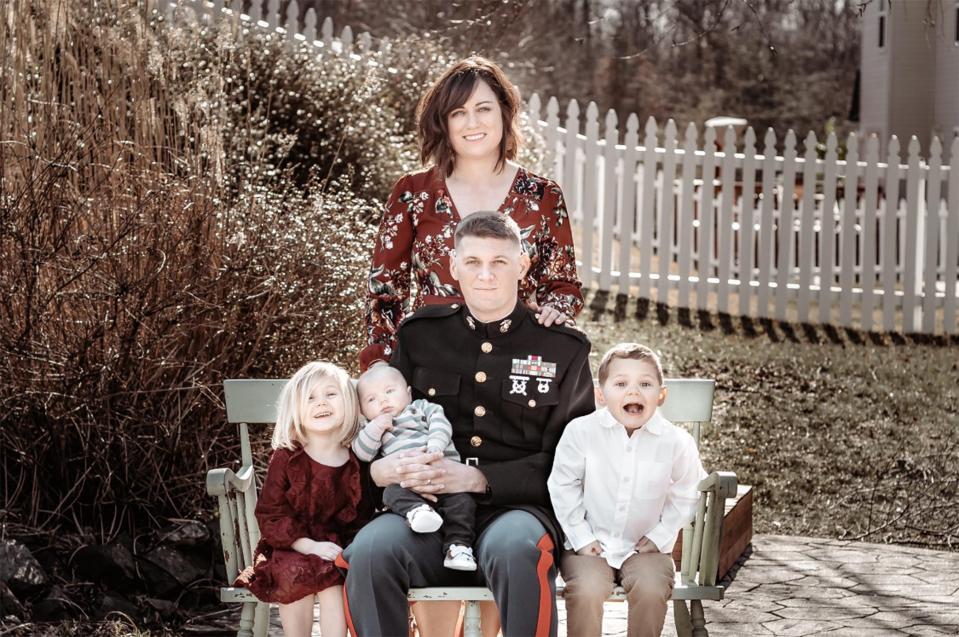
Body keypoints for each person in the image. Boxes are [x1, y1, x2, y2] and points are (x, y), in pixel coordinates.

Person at [337, 212, 595, 637]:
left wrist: (478, 477)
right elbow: (381, 426)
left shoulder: (560, 347)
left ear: (523, 265)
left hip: (514, 510)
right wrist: (377, 473)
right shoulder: (420, 337)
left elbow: (576, 460)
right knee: (370, 551)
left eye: (499, 261)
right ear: (454, 267)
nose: (486, 274)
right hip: (424, 510)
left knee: (518, 550)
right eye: (473, 262)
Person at [360, 55, 583, 373]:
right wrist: (382, 366)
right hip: (432, 361)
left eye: (483, 108)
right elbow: (385, 292)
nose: (472, 122)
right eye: (458, 112)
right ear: (444, 122)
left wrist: (557, 310)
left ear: (504, 112)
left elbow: (562, 284)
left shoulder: (543, 195)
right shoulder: (413, 193)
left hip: (514, 361)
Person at [547, 343, 707, 637]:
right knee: (586, 589)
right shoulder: (581, 432)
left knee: (650, 588)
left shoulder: (676, 441)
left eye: (645, 384)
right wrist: (581, 537)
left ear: (661, 395)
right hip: (589, 547)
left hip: (646, 549)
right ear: (600, 394)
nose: (633, 392)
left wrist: (660, 536)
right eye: (621, 384)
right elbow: (562, 484)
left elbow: (689, 490)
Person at [235, 361, 371, 637]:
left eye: (331, 394)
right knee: (293, 573)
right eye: (310, 397)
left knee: (335, 582)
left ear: (348, 401)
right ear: (295, 409)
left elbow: (364, 515)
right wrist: (308, 545)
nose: (321, 403)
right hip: (290, 545)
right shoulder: (287, 456)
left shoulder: (357, 459)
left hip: (337, 546)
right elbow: (270, 513)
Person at [352, 364, 478, 571]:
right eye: (371, 399)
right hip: (407, 485)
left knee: (463, 504)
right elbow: (362, 453)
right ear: (362, 410)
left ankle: (459, 547)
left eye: (389, 391)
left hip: (444, 479)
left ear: (408, 393)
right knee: (391, 494)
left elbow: (441, 424)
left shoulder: (422, 407)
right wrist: (375, 427)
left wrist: (435, 446)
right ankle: (418, 512)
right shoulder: (372, 427)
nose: (383, 400)